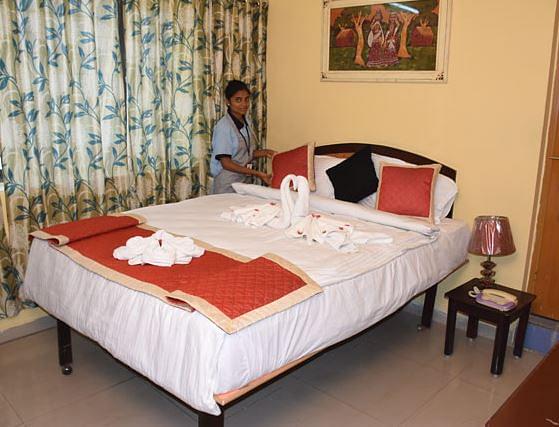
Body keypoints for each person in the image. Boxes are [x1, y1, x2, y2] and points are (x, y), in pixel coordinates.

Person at [210, 80, 275, 194]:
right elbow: (226, 163)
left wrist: (267, 152)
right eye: (238, 100)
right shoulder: (224, 127)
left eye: (246, 99)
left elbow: (244, 154)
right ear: (227, 101)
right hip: (227, 184)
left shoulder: (246, 121)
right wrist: (257, 173)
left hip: (243, 182)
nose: (244, 104)